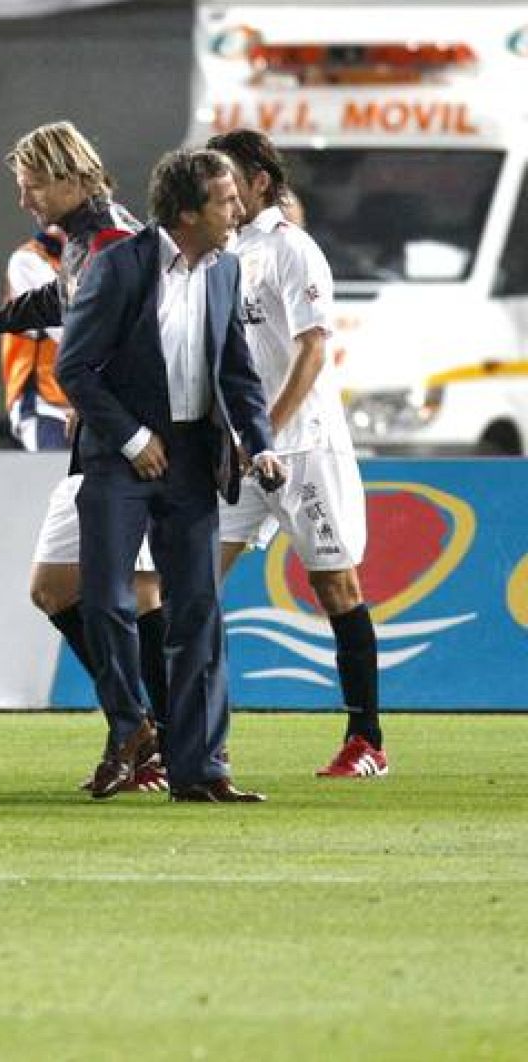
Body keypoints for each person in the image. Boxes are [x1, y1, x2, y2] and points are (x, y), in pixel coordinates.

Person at [0, 122, 170, 794]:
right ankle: (140, 724)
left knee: (131, 594)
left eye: (33, 184)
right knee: (54, 588)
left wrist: (131, 431)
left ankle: (150, 733)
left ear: (73, 176)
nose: (25, 199)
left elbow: (146, 342)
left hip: (129, 444)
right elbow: (62, 301)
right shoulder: (83, 242)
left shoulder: (113, 242)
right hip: (100, 440)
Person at [56, 148, 282, 804]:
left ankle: (201, 769)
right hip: (122, 455)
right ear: (186, 211)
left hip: (191, 461)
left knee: (198, 613)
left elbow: (236, 372)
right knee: (105, 601)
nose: (238, 211)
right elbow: (75, 366)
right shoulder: (118, 267)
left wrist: (258, 442)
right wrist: (132, 438)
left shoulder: (227, 271)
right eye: (226, 201)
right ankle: (131, 727)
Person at [207, 128, 386, 779]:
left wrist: (267, 432)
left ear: (259, 182)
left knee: (335, 585)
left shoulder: (293, 249)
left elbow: (313, 349)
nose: (221, 192)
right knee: (193, 584)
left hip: (304, 447)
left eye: (230, 179)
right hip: (244, 455)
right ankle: (190, 740)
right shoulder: (226, 253)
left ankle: (366, 740)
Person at [0, 226, 68, 451]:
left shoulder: (88, 261)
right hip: (44, 402)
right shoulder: (29, 260)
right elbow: (66, 327)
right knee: (52, 479)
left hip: (85, 406)